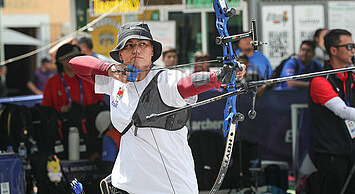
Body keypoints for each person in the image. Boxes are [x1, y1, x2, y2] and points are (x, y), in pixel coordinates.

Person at [69, 22, 246, 194]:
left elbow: (186, 84)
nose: (136, 49)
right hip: (124, 184)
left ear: (152, 51)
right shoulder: (115, 80)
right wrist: (109, 69)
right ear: (120, 54)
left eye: (142, 44)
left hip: (169, 187)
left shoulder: (165, 80)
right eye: (129, 45)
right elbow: (76, 63)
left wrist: (217, 77)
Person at [309, 29, 355, 194]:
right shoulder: (320, 80)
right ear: (334, 50)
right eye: (349, 46)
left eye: (354, 46)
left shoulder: (351, 75)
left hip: (353, 150)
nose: (353, 50)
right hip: (331, 153)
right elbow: (342, 111)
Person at [42, 44, 104, 113]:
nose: (75, 61)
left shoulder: (90, 79)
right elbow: (45, 109)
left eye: (77, 57)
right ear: (60, 60)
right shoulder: (52, 83)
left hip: (88, 121)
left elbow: (100, 101)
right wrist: (62, 109)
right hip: (64, 122)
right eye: (70, 57)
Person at [95, 110, 121, 175]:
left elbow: (108, 167)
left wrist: (96, 160)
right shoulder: (128, 131)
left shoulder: (110, 136)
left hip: (120, 176)